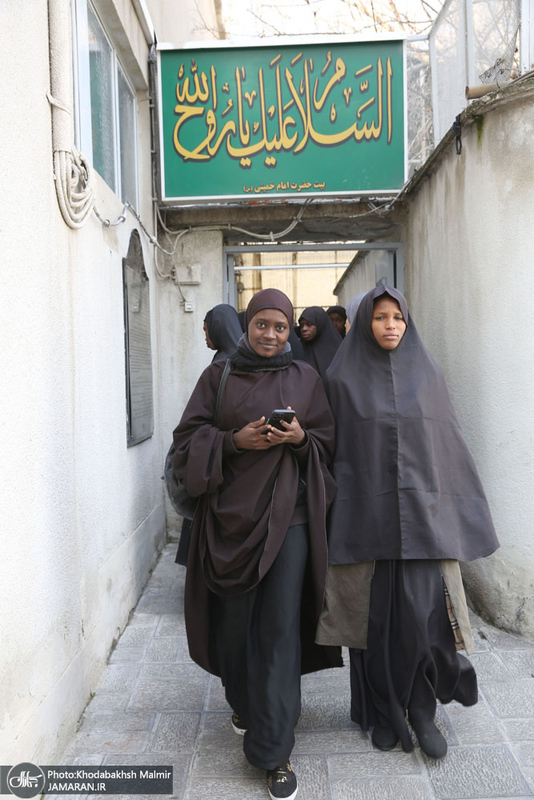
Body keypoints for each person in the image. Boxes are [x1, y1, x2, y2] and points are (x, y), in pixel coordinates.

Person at [172, 288, 342, 800]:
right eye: (262, 324)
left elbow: (328, 443)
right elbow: (186, 443)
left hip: (287, 521)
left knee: (278, 632)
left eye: (281, 327)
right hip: (227, 523)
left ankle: (275, 749)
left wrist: (300, 440)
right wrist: (231, 442)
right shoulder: (217, 376)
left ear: (291, 331)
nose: (271, 335)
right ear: (248, 325)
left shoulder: (306, 378)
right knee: (234, 628)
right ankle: (245, 702)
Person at [316, 286, 499, 759]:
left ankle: (422, 711)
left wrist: (451, 511)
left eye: (397, 317)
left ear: (407, 322)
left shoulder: (428, 375)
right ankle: (382, 714)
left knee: (424, 620)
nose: (390, 325)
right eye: (380, 317)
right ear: (365, 323)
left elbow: (446, 445)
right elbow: (329, 449)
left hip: (421, 523)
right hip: (364, 523)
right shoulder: (341, 379)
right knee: (372, 625)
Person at [298, 306, 342, 381]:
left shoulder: (337, 351)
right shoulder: (298, 349)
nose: (304, 329)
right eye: (302, 325)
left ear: (320, 325)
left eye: (309, 324)